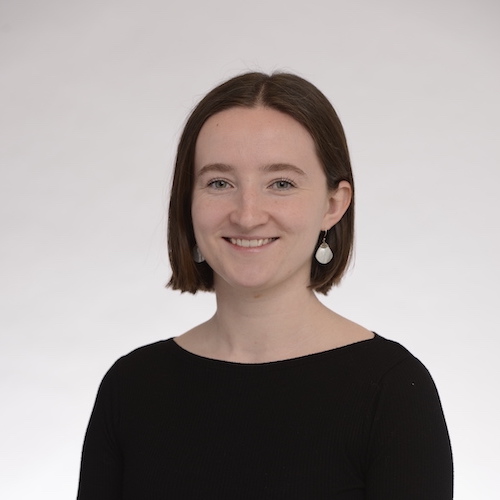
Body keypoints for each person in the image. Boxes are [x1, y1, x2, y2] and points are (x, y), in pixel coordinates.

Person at [77, 72, 453, 499]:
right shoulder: (131, 388)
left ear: (334, 204)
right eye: (220, 183)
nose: (247, 214)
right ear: (188, 201)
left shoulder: (393, 392)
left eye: (281, 184)